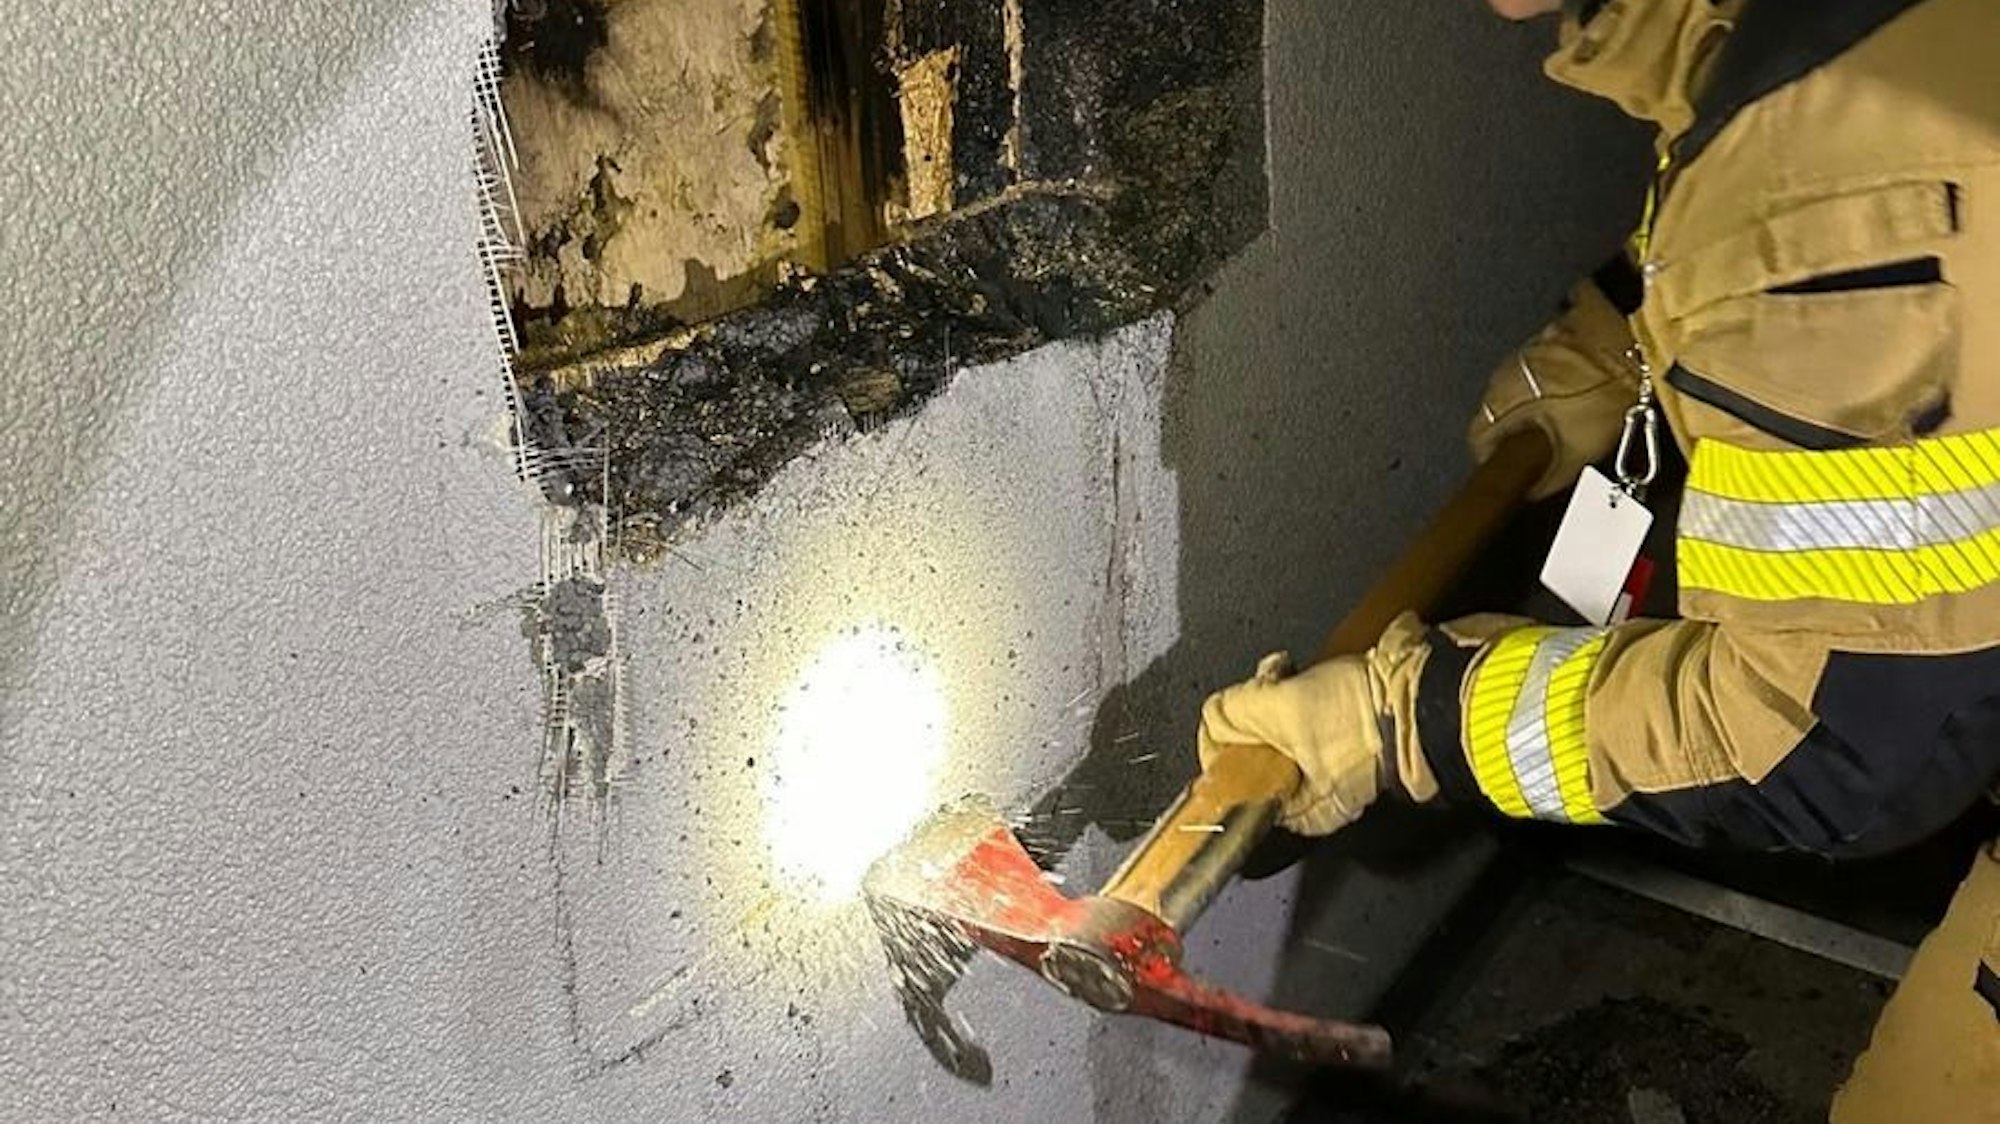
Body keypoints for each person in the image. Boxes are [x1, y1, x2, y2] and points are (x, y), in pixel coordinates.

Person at [1194, 1, 2000, 1118]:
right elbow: (1822, 211)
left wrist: (1404, 719)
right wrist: (1620, 342)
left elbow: (1813, 737)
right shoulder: (1817, 54)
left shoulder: (1834, 155)